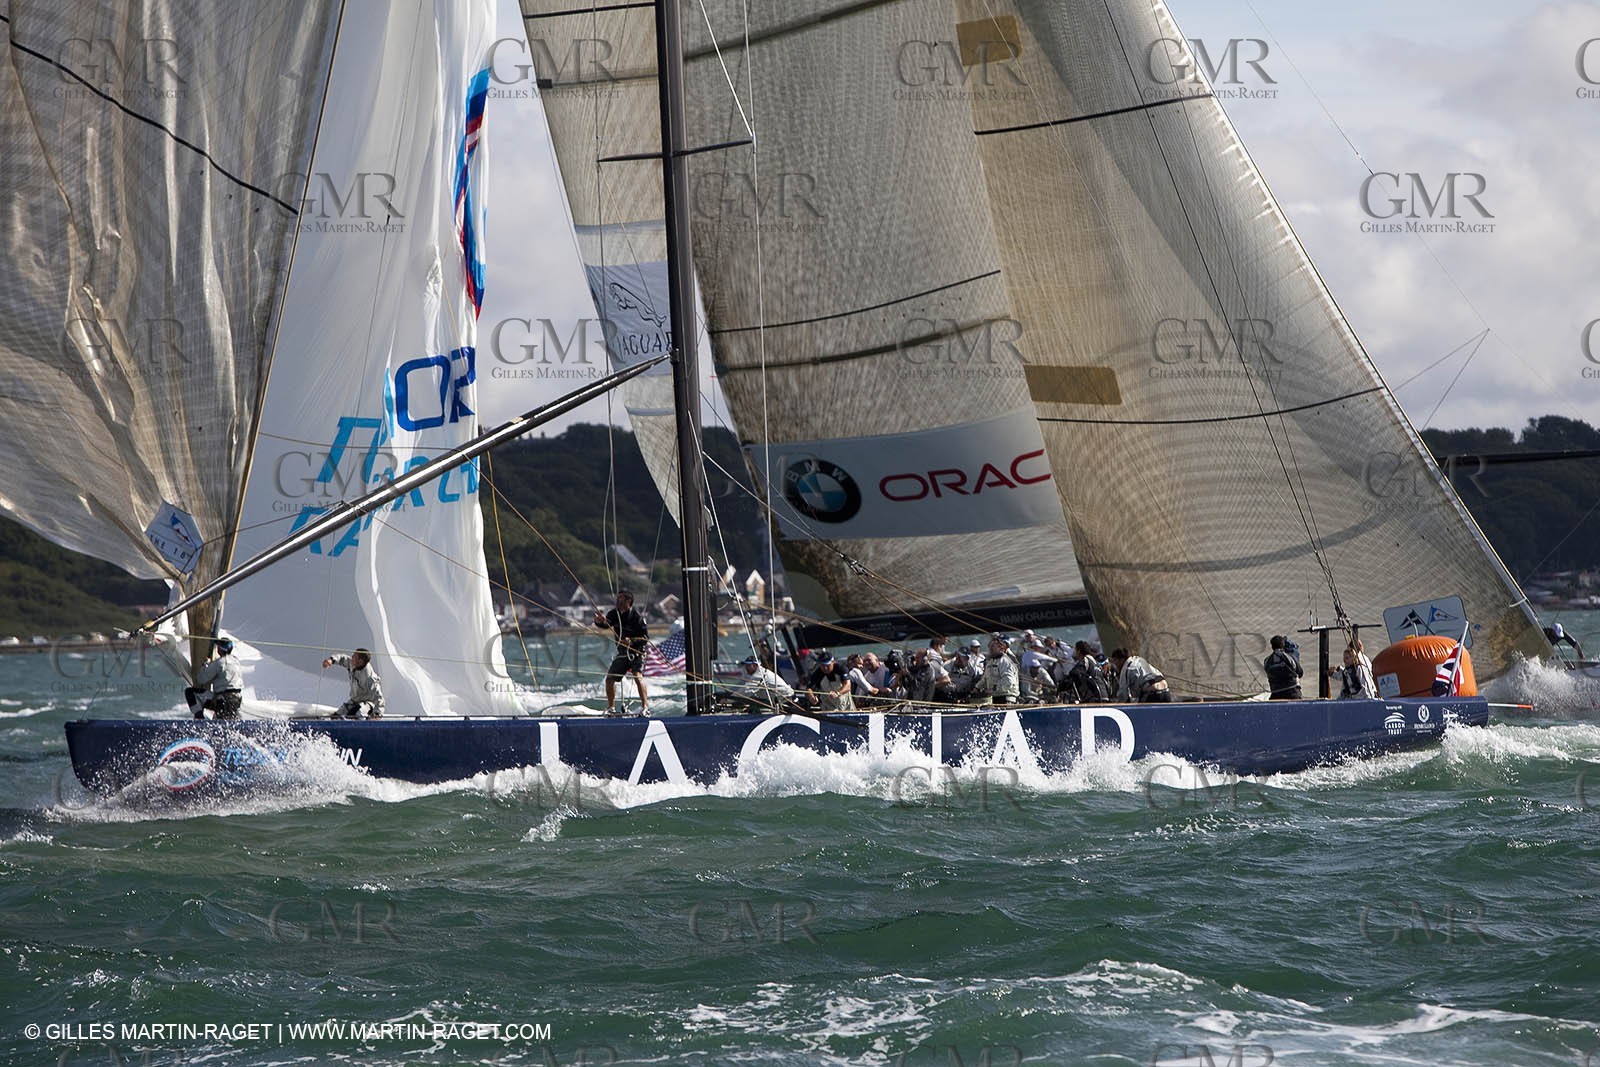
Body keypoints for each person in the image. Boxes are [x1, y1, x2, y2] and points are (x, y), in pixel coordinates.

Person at [595, 589, 649, 715]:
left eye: (621, 598)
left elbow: (645, 639)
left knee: (637, 675)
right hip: (623, 653)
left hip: (638, 652)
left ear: (628, 601)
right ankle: (611, 708)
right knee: (609, 679)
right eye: (617, 598)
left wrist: (631, 641)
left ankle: (645, 707)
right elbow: (607, 625)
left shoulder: (637, 617)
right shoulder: (614, 614)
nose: (617, 600)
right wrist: (599, 622)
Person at [185, 636, 243, 719]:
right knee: (224, 718)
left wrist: (205, 665)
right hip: (237, 699)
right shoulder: (236, 661)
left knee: (190, 692)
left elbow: (201, 679)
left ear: (220, 649)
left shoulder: (219, 663)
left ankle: (199, 719)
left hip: (222, 699)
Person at [321, 647, 383, 719]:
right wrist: (331, 660)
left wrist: (377, 715)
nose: (352, 657)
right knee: (338, 715)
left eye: (354, 656)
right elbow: (342, 658)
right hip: (354, 701)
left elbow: (379, 698)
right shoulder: (353, 663)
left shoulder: (369, 678)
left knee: (358, 712)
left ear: (360, 661)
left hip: (368, 704)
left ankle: (361, 727)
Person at [981, 633, 1020, 704]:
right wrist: (977, 688)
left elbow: (1008, 681)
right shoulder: (991, 661)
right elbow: (985, 678)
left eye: (993, 646)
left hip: (1006, 698)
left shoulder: (1007, 660)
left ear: (1001, 647)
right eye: (990, 646)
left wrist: (994, 688)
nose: (990, 649)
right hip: (995, 697)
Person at [1263, 635, 1303, 700]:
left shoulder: (1267, 660)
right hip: (1292, 691)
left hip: (1276, 692)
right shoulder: (1289, 657)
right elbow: (1300, 672)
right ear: (1283, 645)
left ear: (1272, 646)